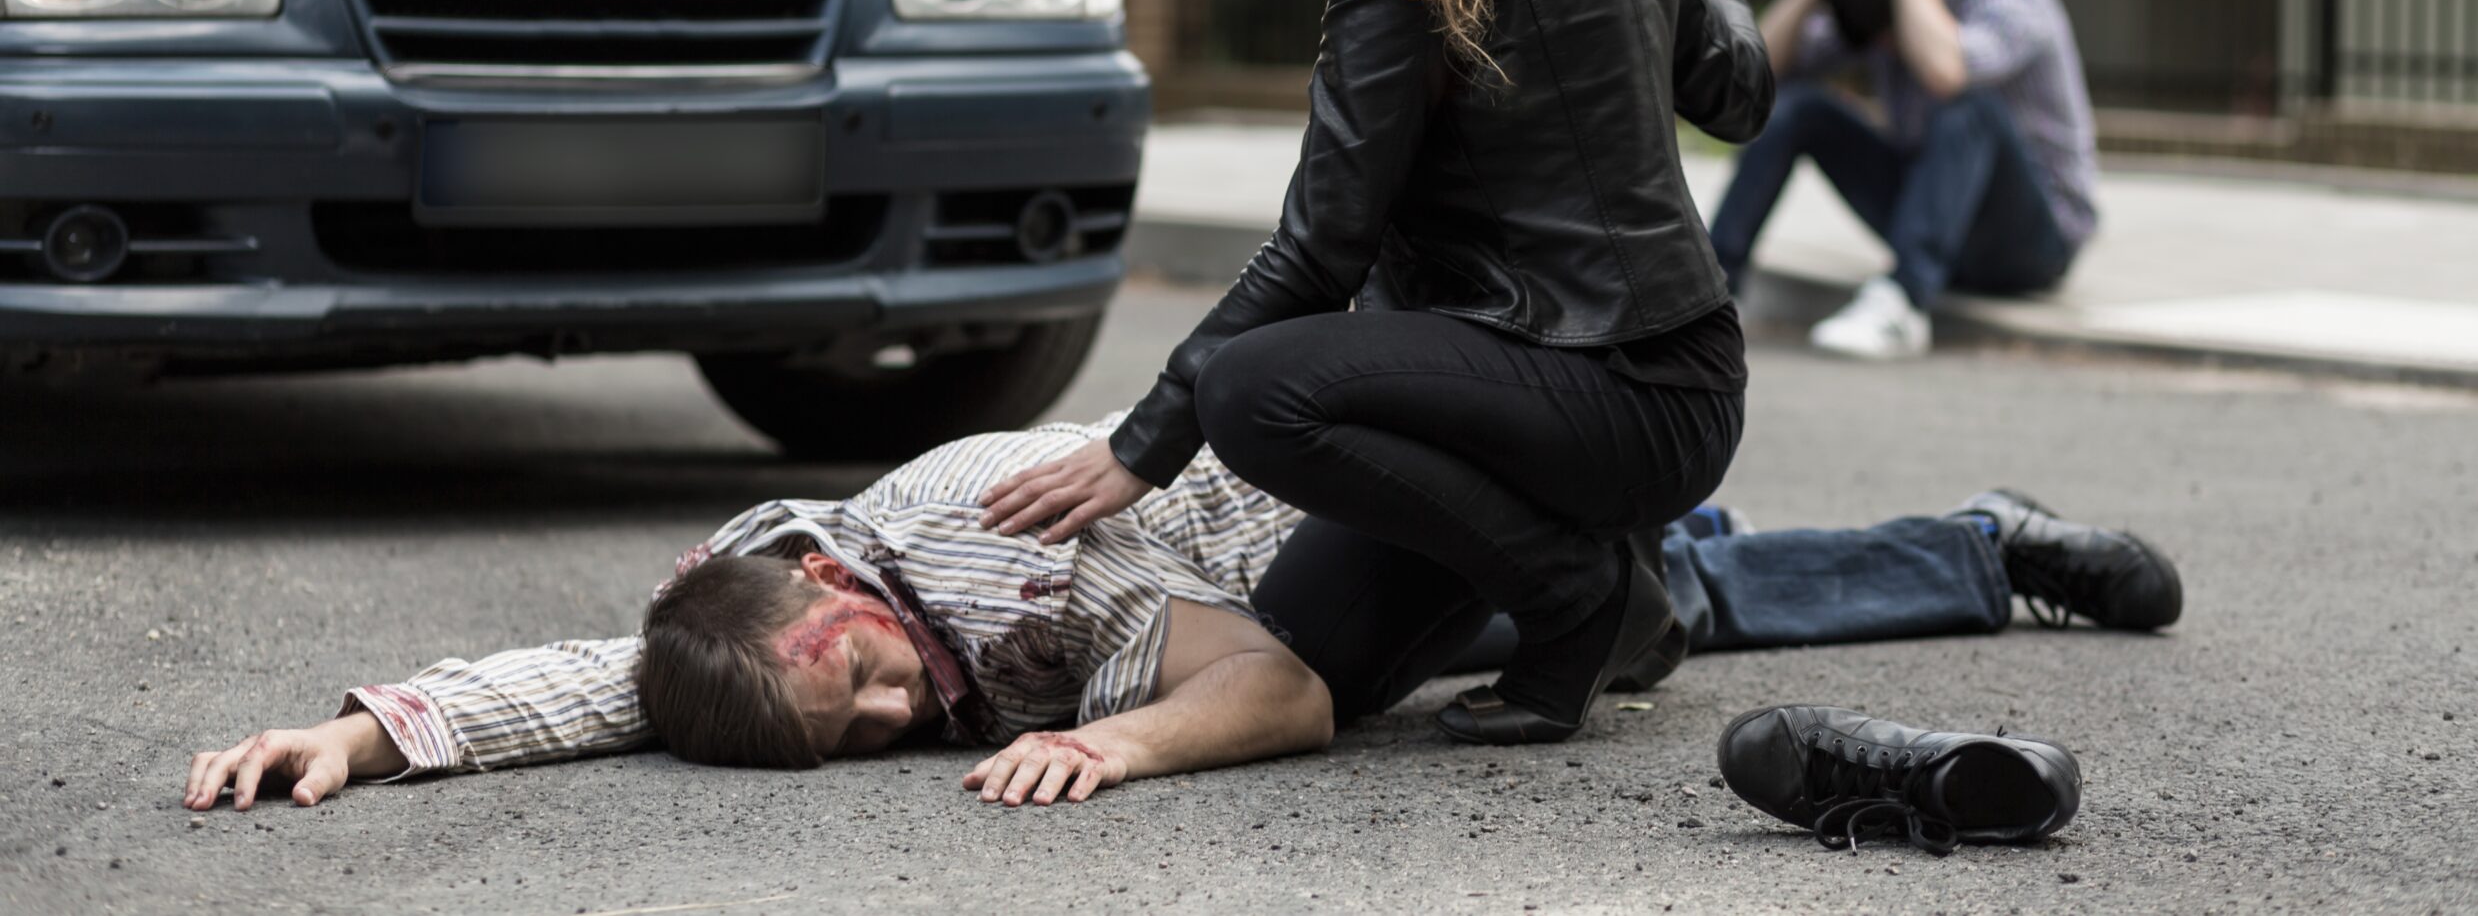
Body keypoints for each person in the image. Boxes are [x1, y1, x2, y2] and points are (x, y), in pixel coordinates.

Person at [975, 0, 1774, 746]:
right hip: (1674, 394)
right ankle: (1630, 603)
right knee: (1312, 667)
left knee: (1252, 392)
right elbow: (1740, 97)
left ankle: (1576, 592)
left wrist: (1142, 443)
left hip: (1592, 405)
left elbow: (1322, 250)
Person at [180, 406, 2181, 814]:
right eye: (853, 730)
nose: (889, 722)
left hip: (1332, 535)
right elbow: (591, 680)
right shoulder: (754, 611)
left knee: (1650, 606)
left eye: (864, 691)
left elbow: (1278, 690)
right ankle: (1971, 539)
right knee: (1676, 586)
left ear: (825, 586)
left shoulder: (995, 559)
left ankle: (1977, 542)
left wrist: (1110, 743)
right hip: (1342, 557)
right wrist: (356, 731)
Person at [1706, 0, 2099, 360]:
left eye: (1892, 37)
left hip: (2033, 241)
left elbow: (1947, 73)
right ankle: (1712, 292)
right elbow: (1757, 71)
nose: (1891, 50)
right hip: (1934, 214)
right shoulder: (1877, 12)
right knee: (1797, 108)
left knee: (1968, 107)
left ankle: (1903, 303)